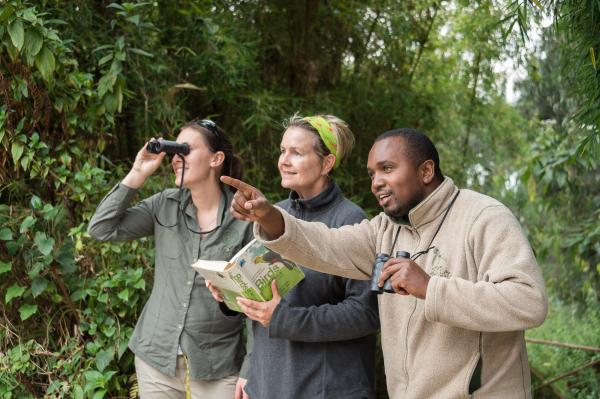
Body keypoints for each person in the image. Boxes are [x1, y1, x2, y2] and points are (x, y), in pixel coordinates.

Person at [219, 128, 548, 398]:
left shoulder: (484, 219)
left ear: (426, 170)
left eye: (387, 169)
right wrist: (271, 217)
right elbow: (325, 244)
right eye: (372, 173)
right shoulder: (385, 229)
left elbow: (529, 301)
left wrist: (432, 288)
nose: (376, 181)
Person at [209, 114, 380, 399]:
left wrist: (286, 318)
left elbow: (365, 314)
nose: (283, 160)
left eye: (296, 153)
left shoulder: (350, 220)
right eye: (282, 150)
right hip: (267, 384)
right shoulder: (273, 213)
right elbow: (264, 301)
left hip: (326, 388)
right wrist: (229, 293)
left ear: (327, 164)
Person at [88, 119, 253, 399]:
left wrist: (251, 368)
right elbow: (102, 228)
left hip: (218, 365)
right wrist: (138, 172)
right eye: (175, 150)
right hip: (157, 359)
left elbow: (255, 302)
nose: (177, 158)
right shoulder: (164, 205)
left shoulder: (244, 220)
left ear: (216, 158)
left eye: (185, 149)